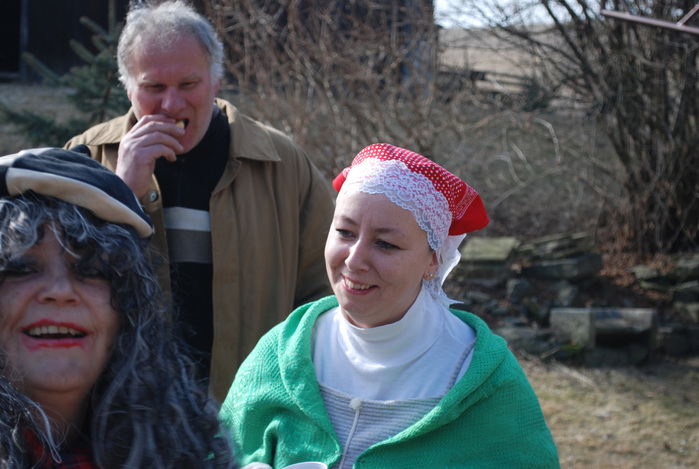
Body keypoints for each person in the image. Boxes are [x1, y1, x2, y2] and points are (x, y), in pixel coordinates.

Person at [220, 143, 560, 468]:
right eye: (345, 232)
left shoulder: (483, 381)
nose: (354, 260)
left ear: (434, 259)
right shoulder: (279, 356)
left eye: (385, 244)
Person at [64, 0, 334, 401]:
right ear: (128, 87)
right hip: (122, 417)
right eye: (154, 88)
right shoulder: (85, 159)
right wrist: (121, 193)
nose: (172, 105)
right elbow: (59, 287)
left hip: (247, 417)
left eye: (188, 84)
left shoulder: (282, 164)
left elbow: (327, 296)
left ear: (216, 79)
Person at [0, 147, 236, 468]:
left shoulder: (179, 453)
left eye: (90, 270)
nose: (60, 292)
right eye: (22, 268)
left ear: (128, 311)